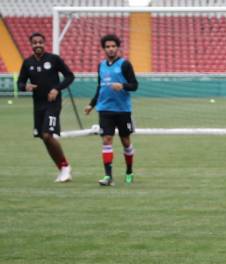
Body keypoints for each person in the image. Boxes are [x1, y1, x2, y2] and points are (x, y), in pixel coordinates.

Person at [17, 32, 74, 182]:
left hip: (53, 104)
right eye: (34, 43)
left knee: (48, 134)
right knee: (44, 138)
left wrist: (57, 89)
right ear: (31, 44)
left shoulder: (53, 59)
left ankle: (66, 166)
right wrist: (25, 86)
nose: (37, 45)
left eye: (40, 42)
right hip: (38, 105)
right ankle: (62, 169)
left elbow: (70, 76)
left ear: (44, 43)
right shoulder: (27, 63)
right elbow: (20, 83)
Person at [84, 34, 138, 186]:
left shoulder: (125, 64)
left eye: (113, 46)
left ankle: (129, 170)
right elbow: (99, 87)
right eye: (107, 47)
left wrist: (123, 86)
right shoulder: (100, 66)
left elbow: (135, 85)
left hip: (122, 110)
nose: (110, 49)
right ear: (104, 49)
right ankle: (108, 176)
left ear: (118, 47)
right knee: (106, 140)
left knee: (126, 142)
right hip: (105, 109)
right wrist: (91, 104)